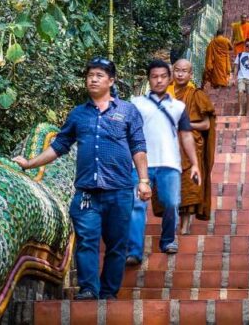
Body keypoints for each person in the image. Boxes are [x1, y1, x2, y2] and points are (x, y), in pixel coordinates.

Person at [12, 57, 149, 301]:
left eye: (99, 75)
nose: (93, 79)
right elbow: (60, 146)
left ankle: (108, 293)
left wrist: (144, 180)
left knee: (117, 245)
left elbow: (138, 146)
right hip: (87, 192)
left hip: (119, 190)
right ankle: (88, 289)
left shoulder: (127, 111)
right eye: (90, 75)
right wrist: (30, 163)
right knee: (86, 241)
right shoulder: (78, 114)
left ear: (111, 81)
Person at [126, 60, 201, 263]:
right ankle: (134, 251)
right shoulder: (136, 104)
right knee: (136, 205)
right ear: (148, 79)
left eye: (162, 76)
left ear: (169, 79)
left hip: (169, 163)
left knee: (171, 202)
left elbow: (186, 135)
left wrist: (194, 163)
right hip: (140, 164)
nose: (159, 80)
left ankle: (168, 240)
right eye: (154, 77)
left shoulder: (178, 106)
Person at [170, 59, 216, 235]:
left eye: (184, 71)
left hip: (191, 147)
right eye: (177, 70)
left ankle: (185, 225)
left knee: (189, 184)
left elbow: (206, 124)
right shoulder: (165, 94)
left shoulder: (196, 95)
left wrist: (185, 125)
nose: (180, 74)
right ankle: (173, 222)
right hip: (170, 145)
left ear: (191, 74)